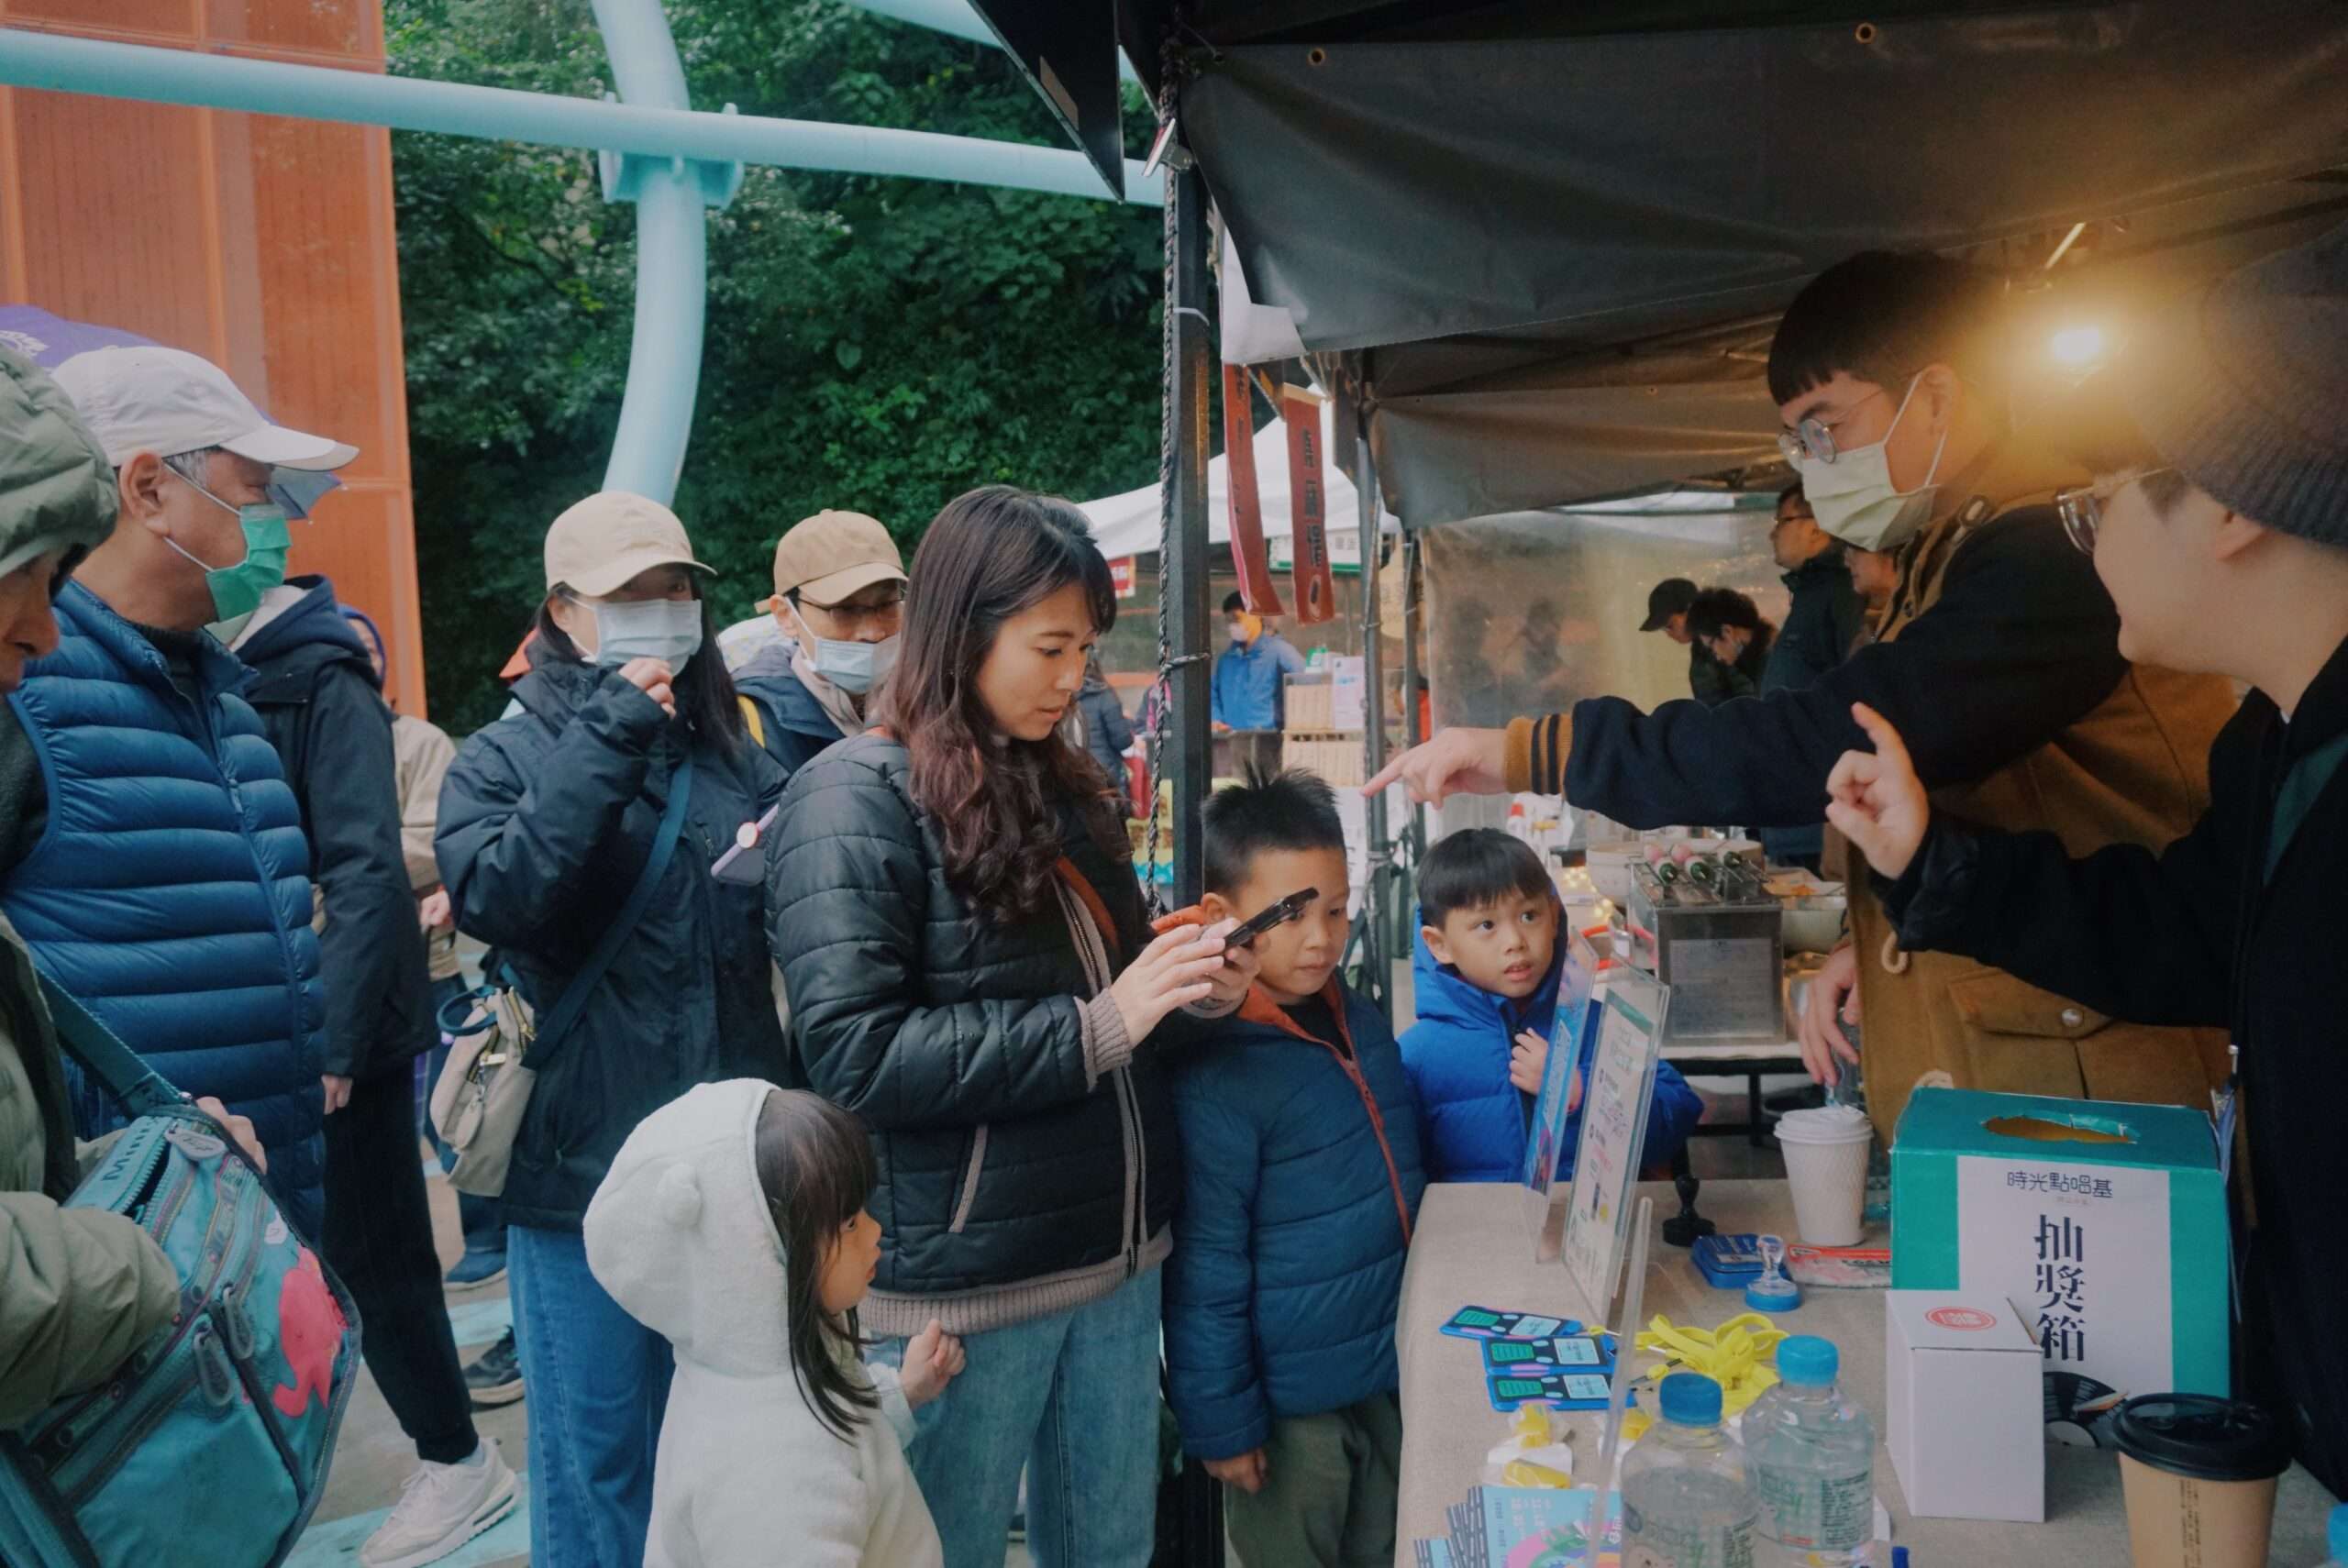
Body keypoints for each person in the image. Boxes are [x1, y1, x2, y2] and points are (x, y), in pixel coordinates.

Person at [1367, 249, 2239, 1140]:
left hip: (2106, 1078)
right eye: (1798, 441)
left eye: (1824, 427)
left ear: (1935, 399)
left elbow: (1823, 744)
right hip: (2039, 1042)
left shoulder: (2048, 554)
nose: (1813, 465)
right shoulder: (1953, 552)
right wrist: (1882, 942)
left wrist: (1532, 750)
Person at [1819, 225, 2348, 1495]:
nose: (2085, 530)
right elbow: (2180, 933)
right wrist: (1935, 861)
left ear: (2226, 508)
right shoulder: (2279, 739)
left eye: (2099, 496)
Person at [766, 487, 1256, 1568]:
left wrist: (1186, 990)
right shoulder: (849, 801)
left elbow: (1118, 1006)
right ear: (963, 627)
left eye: (1084, 647)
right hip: (961, 1296)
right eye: (1049, 645)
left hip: (1116, 1263)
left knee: (1112, 1552)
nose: (1073, 675)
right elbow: (853, 1054)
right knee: (944, 1551)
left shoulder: (1062, 783)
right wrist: (1102, 1023)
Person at [435, 491, 789, 1568]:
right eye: (630, 594)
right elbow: (498, 894)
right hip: (579, 1174)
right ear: (562, 612)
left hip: (730, 1173)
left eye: (677, 589)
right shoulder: (498, 759)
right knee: (598, 1464)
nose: (664, 612)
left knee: (731, 1453)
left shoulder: (733, 748)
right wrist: (611, 730)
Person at [6, 345, 340, 1232]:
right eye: (255, 487)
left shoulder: (227, 699)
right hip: (117, 1261)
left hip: (252, 1256)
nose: (274, 524)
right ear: (147, 488)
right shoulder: (23, 695)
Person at [0, 345, 266, 1429]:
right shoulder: (37, 714)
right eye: (35, 572)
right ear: (149, 486)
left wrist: (146, 1165)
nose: (44, 631)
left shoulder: (226, 691)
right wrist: (156, 1246)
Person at [230, 569, 515, 1563]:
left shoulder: (320, 680)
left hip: (344, 1026)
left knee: (375, 1254)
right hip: (240, 1019)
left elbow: (367, 864)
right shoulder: (181, 673)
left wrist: (341, 1039)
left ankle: (454, 1456)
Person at [1160, 767, 1425, 1568]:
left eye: (1339, 910)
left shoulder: (1360, 1017)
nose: (1322, 937)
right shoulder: (1216, 1071)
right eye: (1293, 915)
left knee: (1386, 1547)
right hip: (1287, 1414)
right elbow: (1206, 1264)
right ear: (1223, 918)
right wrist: (1223, 1423)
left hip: (1385, 1369)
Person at [585, 1081, 967, 1568]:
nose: (874, 1232)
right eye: (848, 1225)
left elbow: (840, 1441)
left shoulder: (750, 1364)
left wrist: (902, 1392)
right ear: (757, 1260)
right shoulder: (771, 1470)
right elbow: (816, 1457)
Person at [1401, 828, 1702, 1183]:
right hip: (1477, 1237)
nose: (1515, 941)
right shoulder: (1415, 1058)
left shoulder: (1598, 1025)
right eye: (1486, 924)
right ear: (1439, 945)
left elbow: (1677, 1115)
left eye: (1529, 915)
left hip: (1579, 1235)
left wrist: (1577, 1087)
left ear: (1554, 917)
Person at [735, 508, 907, 781]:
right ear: (786, 615)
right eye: (845, 610)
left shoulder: (931, 699)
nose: (873, 632)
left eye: (886, 605)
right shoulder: (749, 723)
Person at [1212, 589, 1308, 732]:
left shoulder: (1280, 652)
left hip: (1269, 740)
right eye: (1229, 620)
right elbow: (1213, 695)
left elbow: (1307, 683)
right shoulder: (1227, 660)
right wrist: (1216, 720)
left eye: (1237, 619)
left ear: (1256, 615)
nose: (1232, 625)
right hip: (1232, 740)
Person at [1638, 577, 1734, 706]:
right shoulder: (1701, 645)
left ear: (1690, 610)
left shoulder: (1721, 642)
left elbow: (1746, 694)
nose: (1669, 635)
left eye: (1670, 626)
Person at [1681, 588, 1775, 701]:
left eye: (1711, 645)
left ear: (1727, 632)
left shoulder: (1772, 670)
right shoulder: (1767, 657)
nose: (1716, 655)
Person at [1075, 650, 1136, 814]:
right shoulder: (1104, 695)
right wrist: (1128, 722)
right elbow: (1123, 740)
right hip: (1106, 774)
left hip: (1073, 771)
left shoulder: (1064, 696)